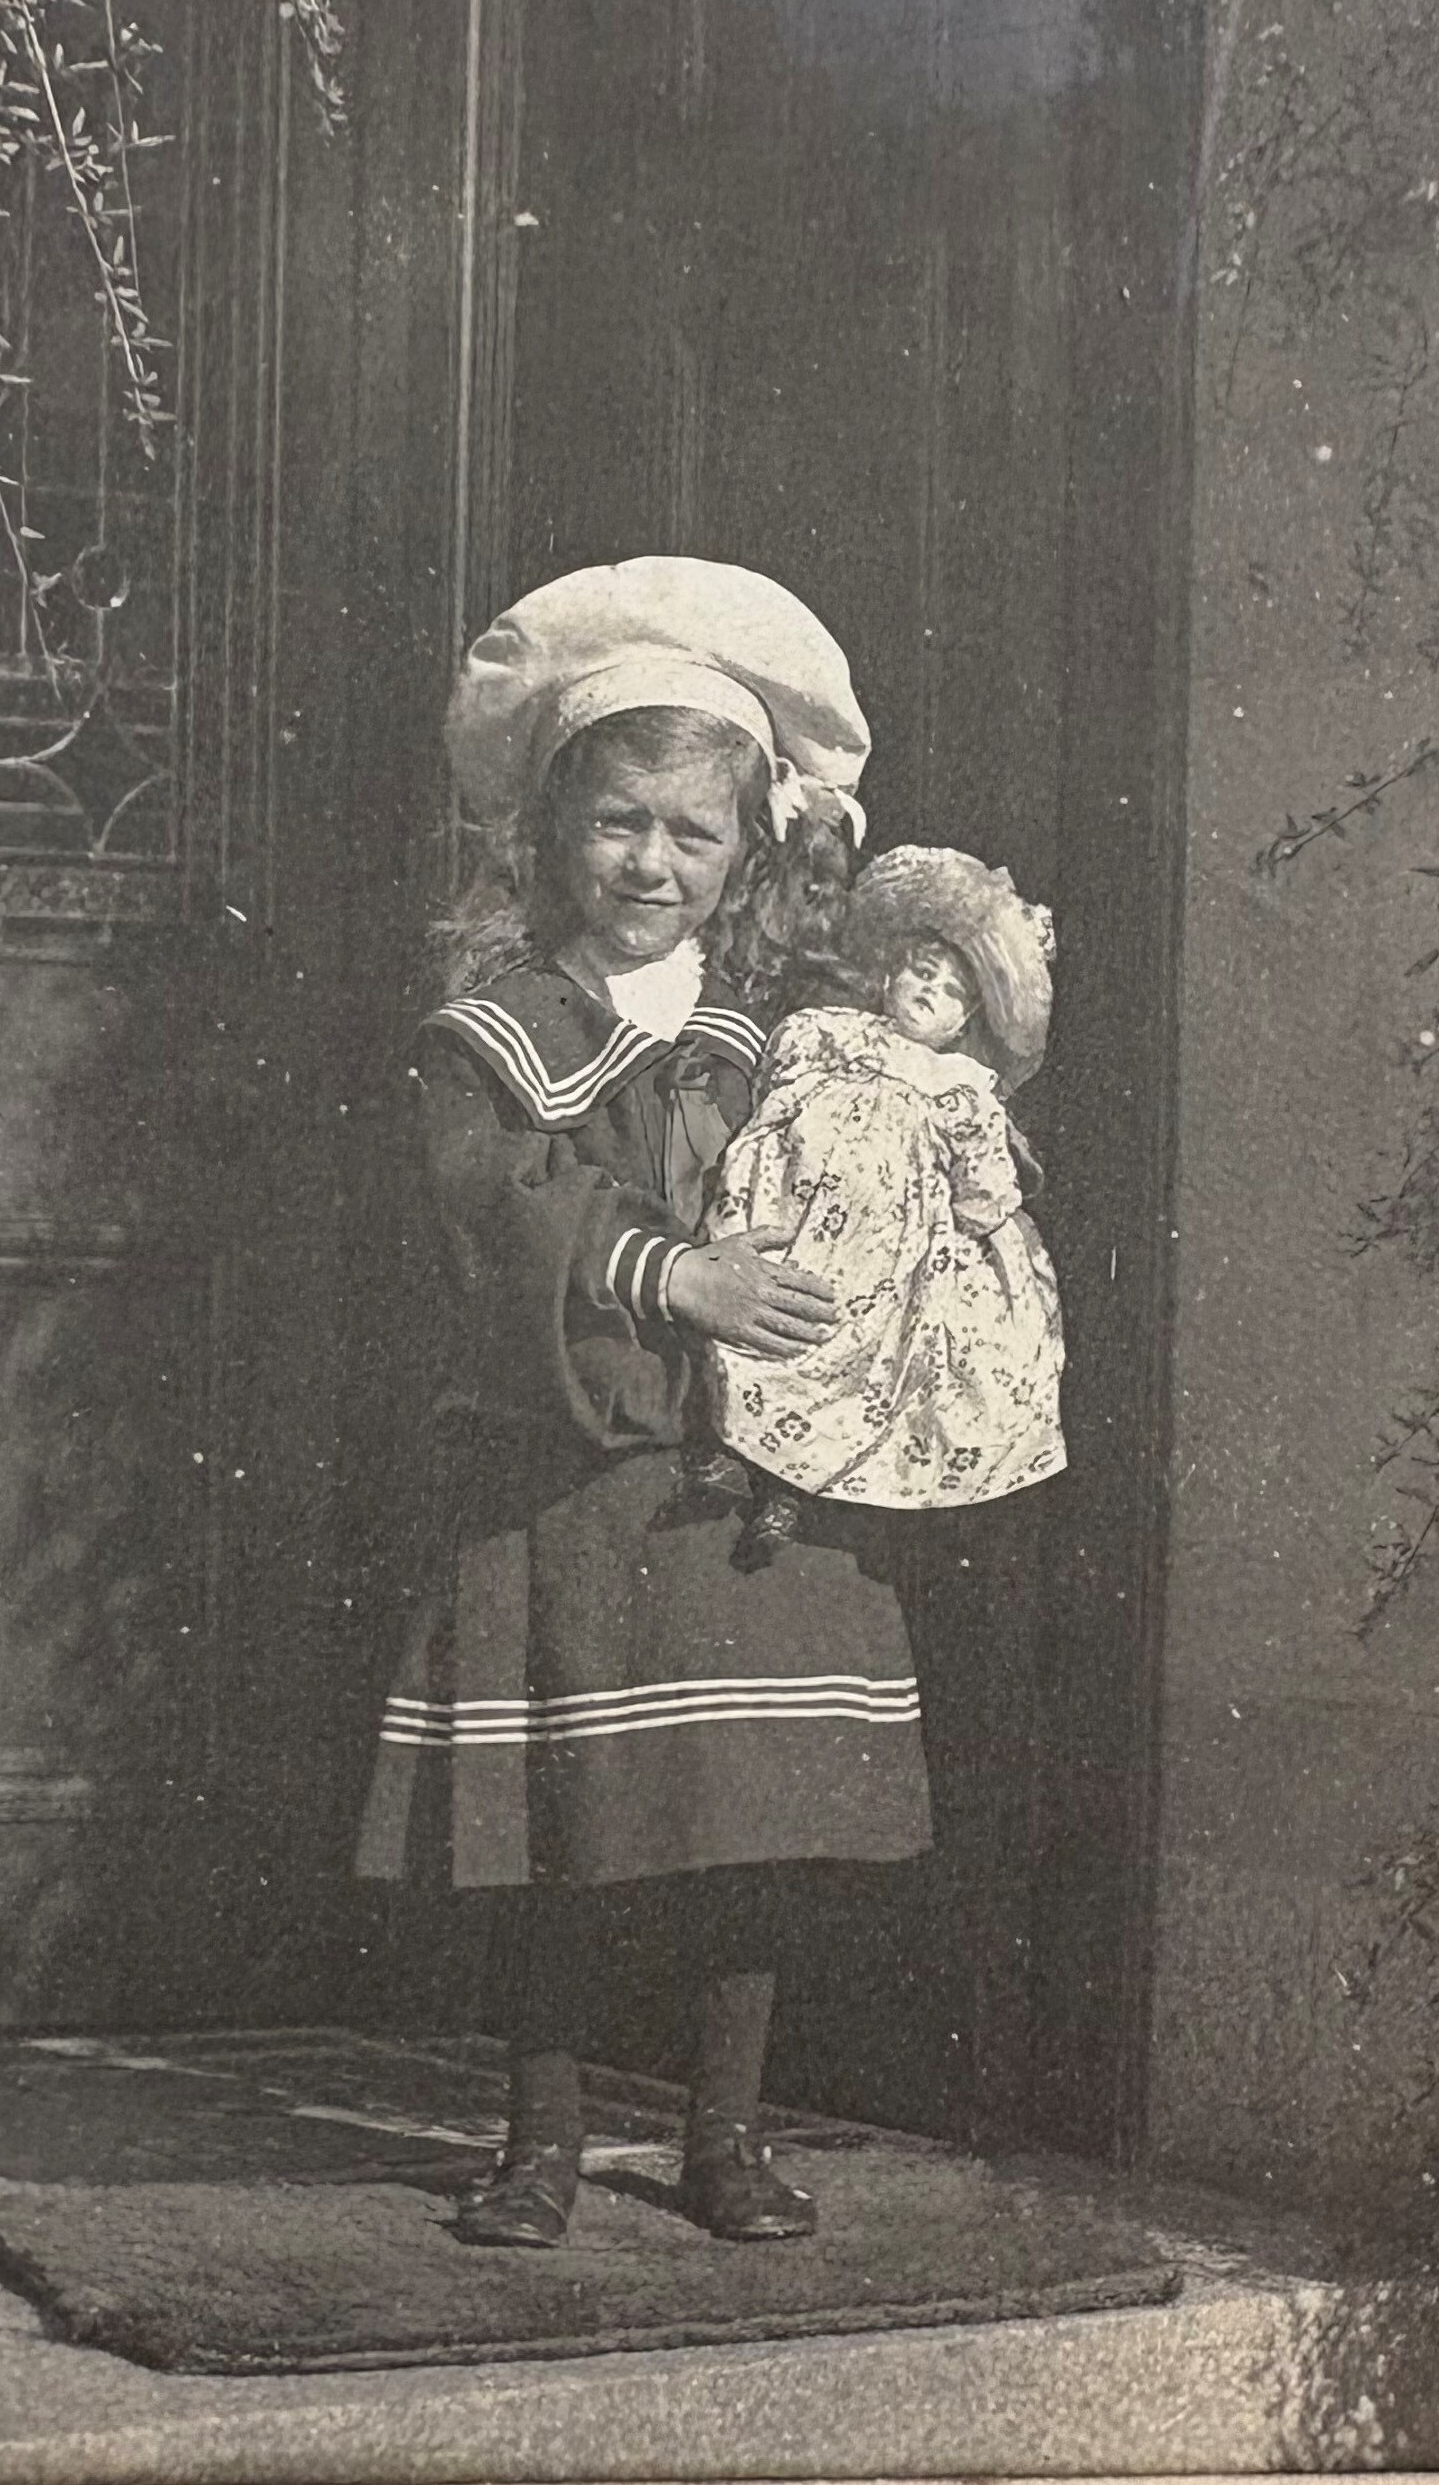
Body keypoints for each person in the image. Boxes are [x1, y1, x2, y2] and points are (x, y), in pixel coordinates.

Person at [355, 557, 934, 2250]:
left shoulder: (787, 1037)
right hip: (570, 1474)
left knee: (737, 1817)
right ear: (553, 830)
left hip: (742, 1480)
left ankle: (722, 2136)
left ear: (745, 849)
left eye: (690, 833)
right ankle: (537, 2139)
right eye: (616, 823)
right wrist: (671, 1275)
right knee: (565, 1820)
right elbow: (492, 1199)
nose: (648, 864)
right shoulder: (495, 1033)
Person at [702, 847, 1066, 1569]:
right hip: (800, 1211)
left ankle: (792, 1495)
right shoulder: (836, 1031)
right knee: (772, 1319)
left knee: (851, 1354)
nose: (929, 993)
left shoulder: (958, 1083)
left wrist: (984, 1218)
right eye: (922, 973)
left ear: (965, 1020)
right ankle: (724, 1450)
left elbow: (982, 1186)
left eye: (950, 992)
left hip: (885, 1252)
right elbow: (779, 1072)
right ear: (890, 975)